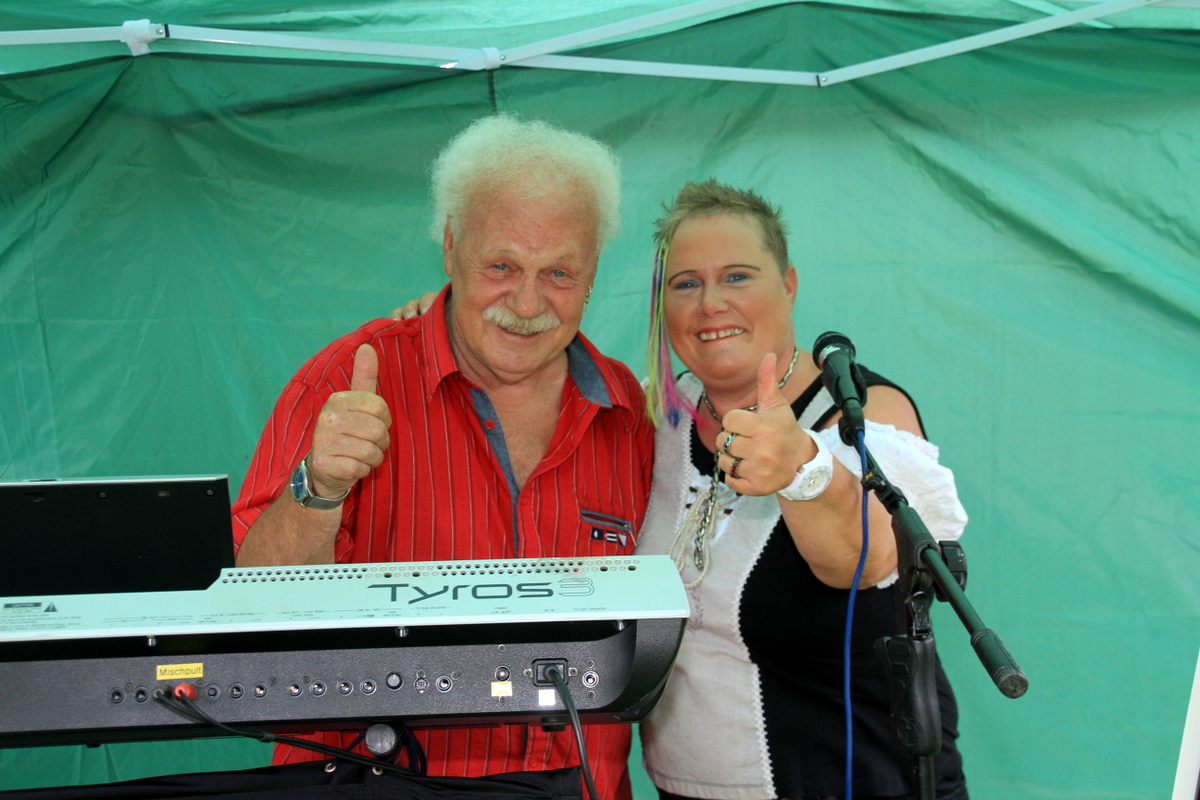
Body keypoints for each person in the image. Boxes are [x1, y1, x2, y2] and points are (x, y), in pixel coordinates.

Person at [231, 115, 655, 800]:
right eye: (501, 266)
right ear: (451, 246)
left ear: (594, 271)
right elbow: (248, 612)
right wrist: (320, 487)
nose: (527, 302)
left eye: (558, 272)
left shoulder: (625, 410)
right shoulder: (348, 379)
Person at [637, 180, 968, 800]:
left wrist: (803, 467)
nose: (710, 303)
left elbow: (866, 559)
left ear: (788, 285)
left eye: (737, 276)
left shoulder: (865, 417)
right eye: (685, 284)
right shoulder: (660, 418)